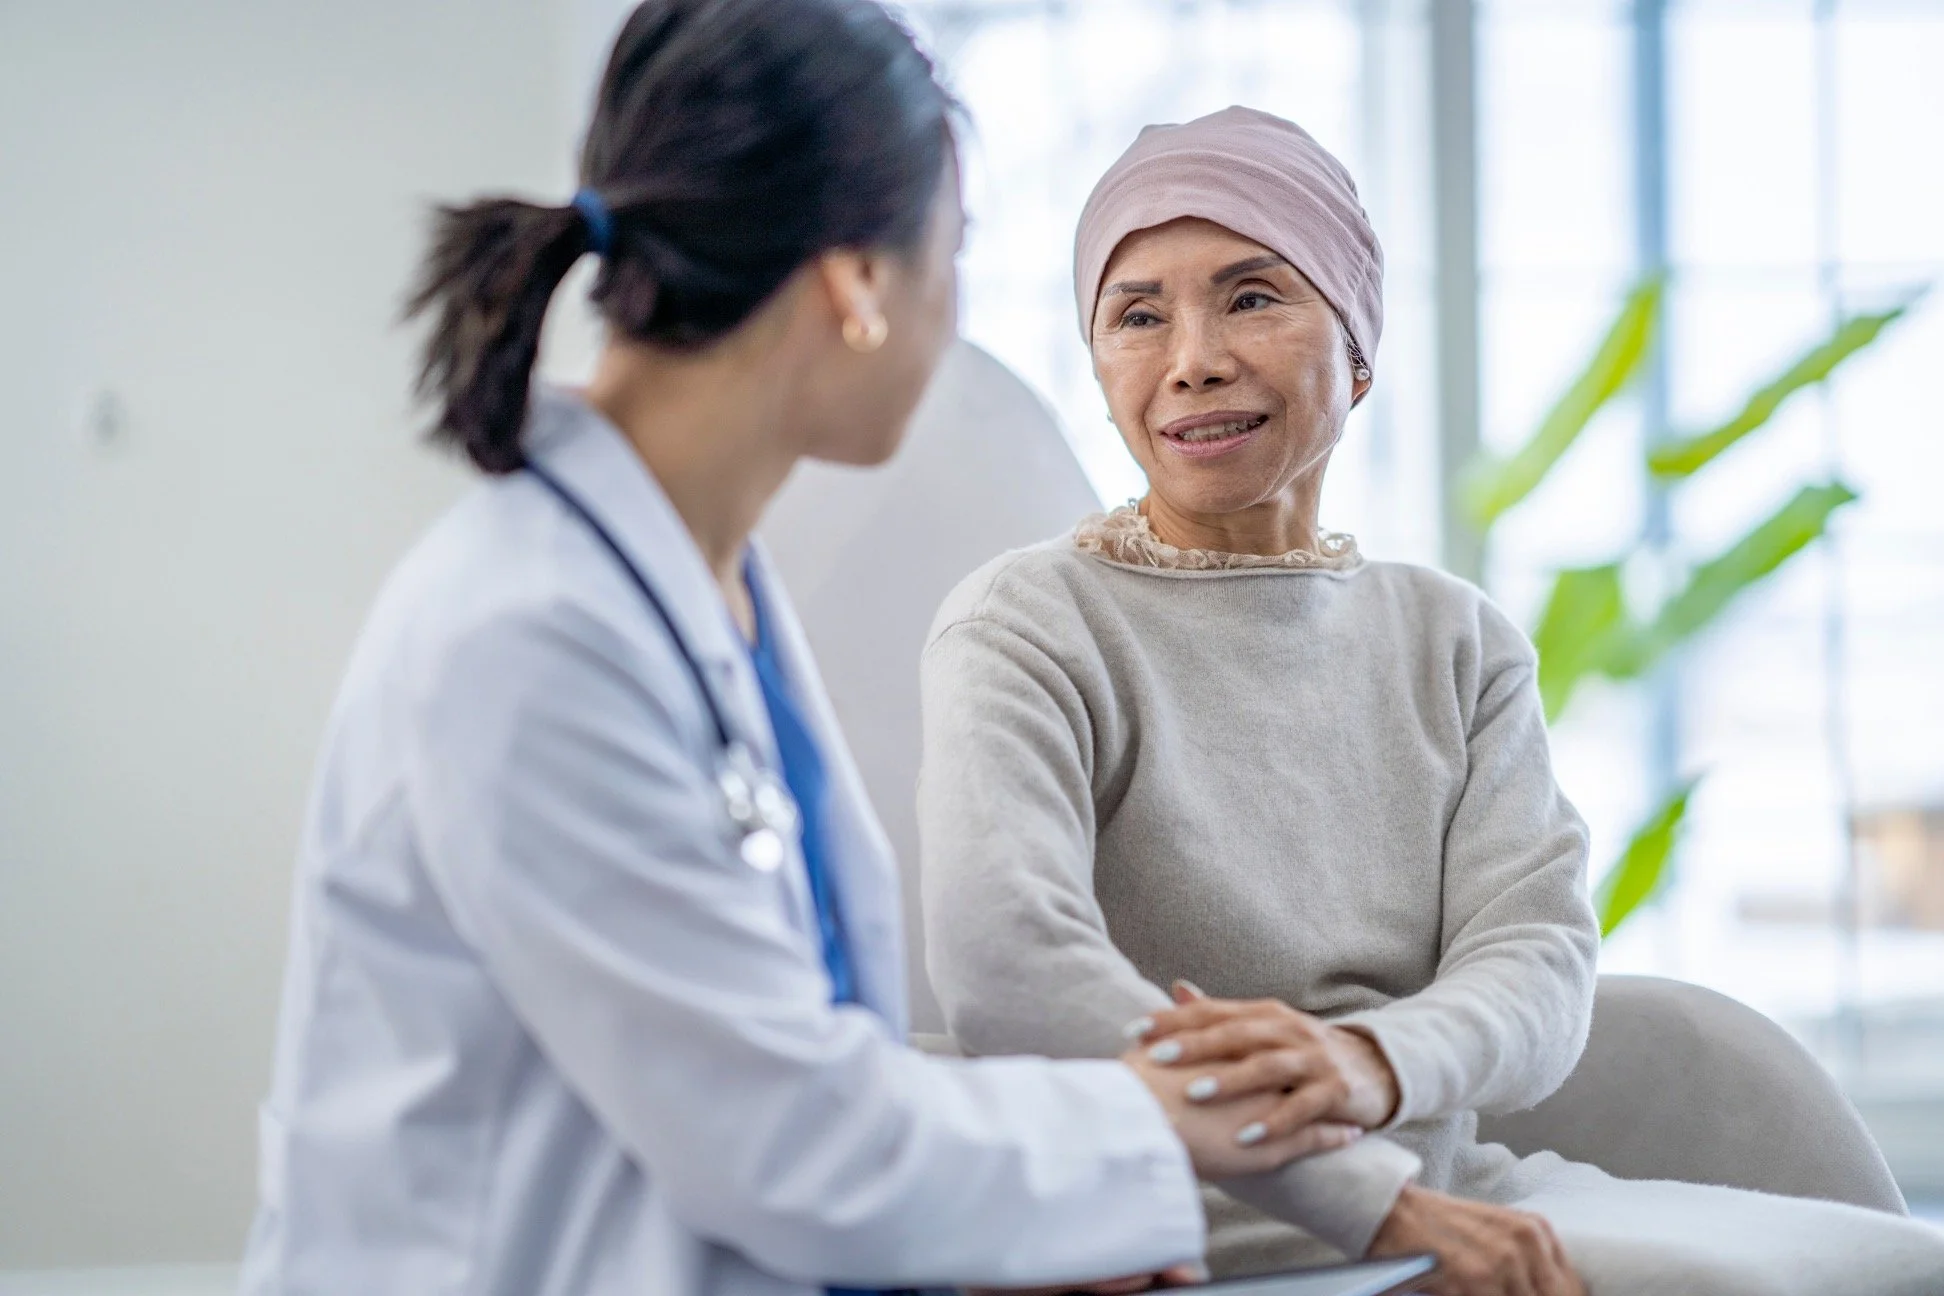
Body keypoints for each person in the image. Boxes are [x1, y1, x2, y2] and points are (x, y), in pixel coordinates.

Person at [238, 15, 1364, 1295]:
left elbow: (761, 1076)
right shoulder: (531, 636)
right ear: (856, 291)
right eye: (958, 256)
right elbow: (792, 1145)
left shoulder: (702, 579)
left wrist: (1008, 1240)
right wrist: (1155, 1121)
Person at [916, 105, 1944, 1296]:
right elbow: (1010, 964)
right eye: (1136, 315)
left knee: (1884, 1268)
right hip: (1162, 1223)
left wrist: (1370, 1063)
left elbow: (1538, 958)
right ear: (1099, 370)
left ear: (1357, 349)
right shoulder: (1027, 621)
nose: (1190, 355)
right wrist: (1368, 1201)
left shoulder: (1453, 640)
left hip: (1446, 1191)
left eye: (1252, 296)